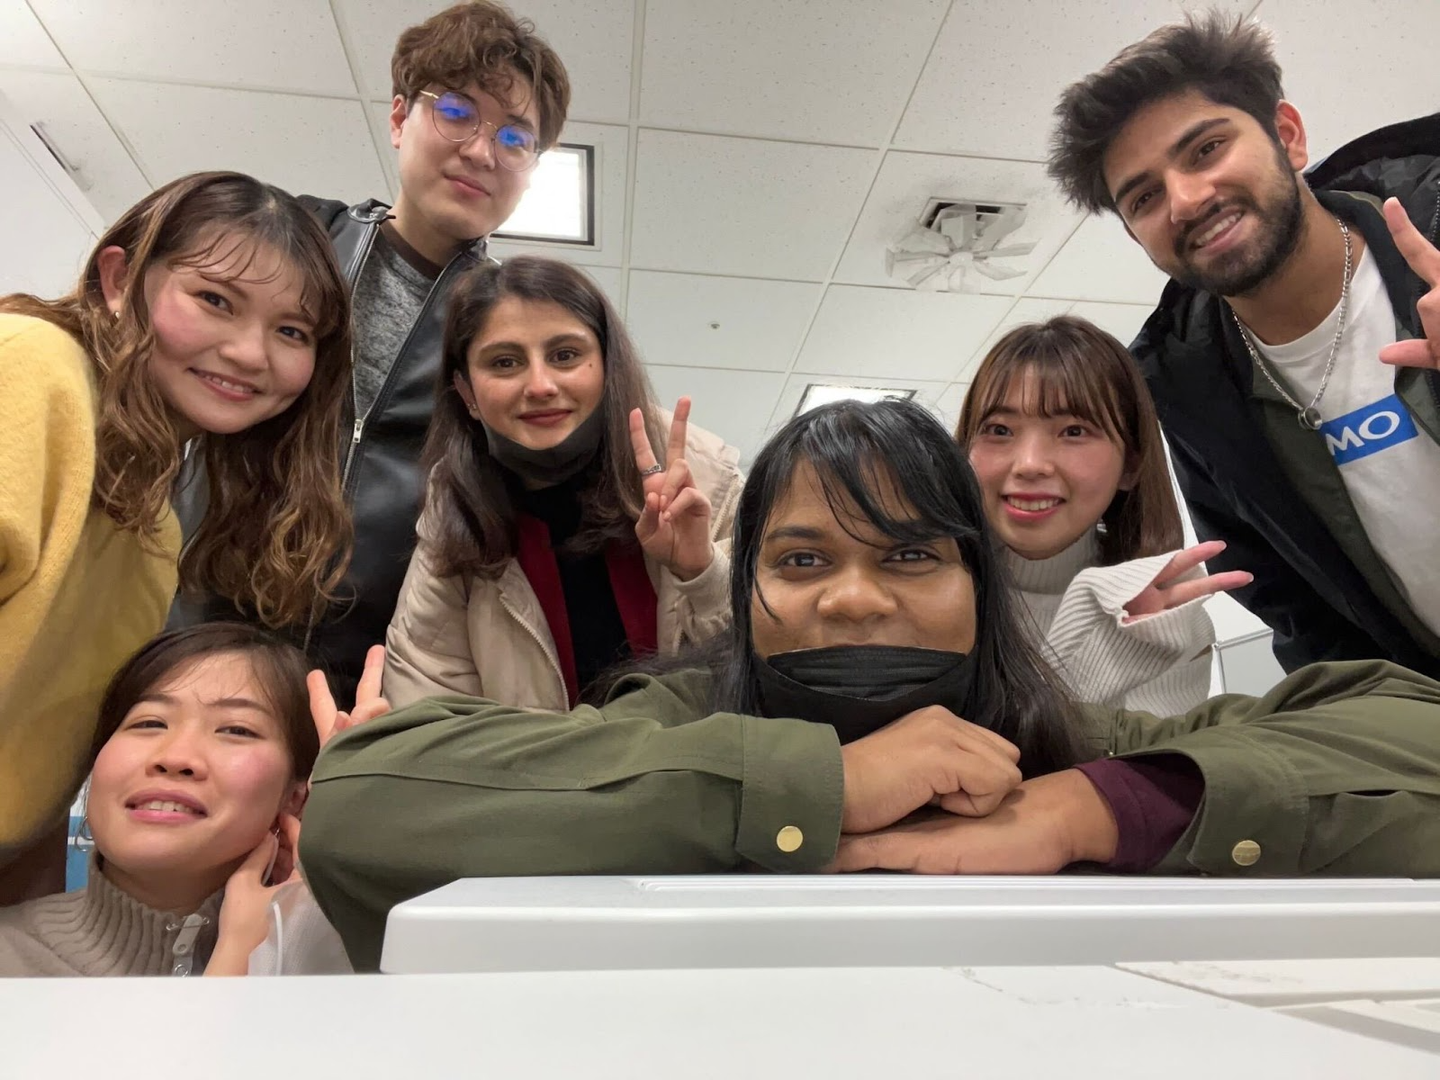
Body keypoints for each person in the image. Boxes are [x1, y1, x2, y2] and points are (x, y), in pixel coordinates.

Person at [300, 399, 1440, 971]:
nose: (852, 599)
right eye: (802, 562)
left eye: (910, 556)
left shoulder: (1066, 738)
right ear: (746, 592)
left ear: (981, 590)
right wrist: (821, 788)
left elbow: (1408, 724)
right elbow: (363, 798)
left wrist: (1088, 808)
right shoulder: (674, 715)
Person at [170, 0, 573, 701]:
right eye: (456, 112)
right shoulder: (293, 241)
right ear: (398, 118)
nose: (482, 151)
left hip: (370, 691)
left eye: (515, 138)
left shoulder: (511, 330)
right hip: (191, 638)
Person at [1047, 12, 1440, 677]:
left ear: (1287, 136)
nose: (1185, 200)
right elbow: (1293, 606)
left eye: (1205, 150)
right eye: (1144, 197)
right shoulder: (1186, 390)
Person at [0, 171, 352, 904]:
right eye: (215, 300)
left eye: (291, 332)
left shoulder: (156, 525)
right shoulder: (31, 368)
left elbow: (44, 776)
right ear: (119, 279)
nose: (251, 353)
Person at [384, 256, 744, 709]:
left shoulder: (709, 481)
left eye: (565, 355)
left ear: (608, 366)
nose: (540, 385)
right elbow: (424, 695)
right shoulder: (452, 513)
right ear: (467, 393)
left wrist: (703, 574)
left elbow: (778, 666)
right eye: (505, 362)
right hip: (523, 759)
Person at [0, 624, 388, 977]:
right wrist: (235, 961)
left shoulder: (348, 963)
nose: (175, 757)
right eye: (149, 723)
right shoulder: (12, 956)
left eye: (236, 730)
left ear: (296, 797)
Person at [958, 316, 1250, 713]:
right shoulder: (920, 589)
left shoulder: (1160, 618)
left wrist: (1107, 649)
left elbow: (1141, 755)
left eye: (1074, 431)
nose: (1029, 464)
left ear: (1131, 465)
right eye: (999, 430)